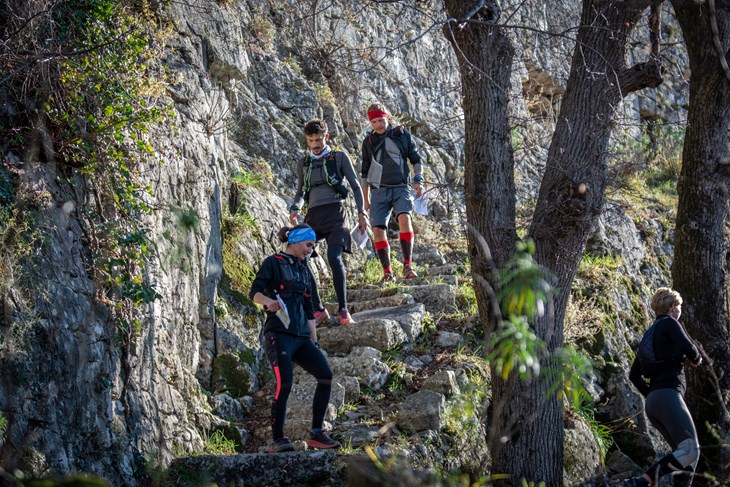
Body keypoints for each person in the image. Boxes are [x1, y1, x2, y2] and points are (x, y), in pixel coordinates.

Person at [249, 224, 341, 453]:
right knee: (285, 383)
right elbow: (254, 293)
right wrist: (268, 302)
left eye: (314, 246)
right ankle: (278, 439)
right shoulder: (273, 262)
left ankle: (317, 433)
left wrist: (314, 339)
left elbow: (309, 307)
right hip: (278, 334)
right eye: (309, 245)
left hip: (301, 337)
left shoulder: (303, 269)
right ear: (296, 241)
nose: (311, 250)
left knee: (325, 375)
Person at [289, 118, 367, 326]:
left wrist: (362, 213)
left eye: (319, 139)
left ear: (326, 137)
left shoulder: (339, 157)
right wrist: (295, 208)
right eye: (311, 140)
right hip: (313, 216)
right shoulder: (303, 162)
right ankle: (319, 309)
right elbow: (300, 191)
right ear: (307, 140)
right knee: (300, 258)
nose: (315, 144)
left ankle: (343, 311)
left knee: (334, 257)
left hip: (336, 214)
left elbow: (355, 186)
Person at [627, 287, 702, 487]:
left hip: (654, 402)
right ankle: (641, 482)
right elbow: (689, 347)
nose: (680, 311)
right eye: (679, 307)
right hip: (669, 395)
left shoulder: (649, 333)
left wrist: (652, 395)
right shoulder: (670, 323)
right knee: (691, 450)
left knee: (686, 460)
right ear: (672, 307)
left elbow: (634, 375)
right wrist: (696, 358)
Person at [360, 102, 424, 284]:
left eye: (381, 120)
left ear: (387, 117)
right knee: (378, 230)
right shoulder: (369, 141)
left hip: (401, 186)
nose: (378, 125)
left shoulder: (402, 135)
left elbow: (416, 158)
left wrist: (419, 180)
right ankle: (387, 272)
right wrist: (366, 200)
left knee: (405, 218)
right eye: (374, 122)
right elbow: (364, 171)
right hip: (378, 190)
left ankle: (408, 265)